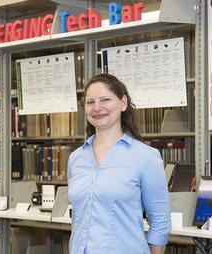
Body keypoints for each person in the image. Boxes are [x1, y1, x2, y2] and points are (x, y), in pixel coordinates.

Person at [67, 74, 171, 254]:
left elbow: (160, 223)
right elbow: (78, 218)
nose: (97, 108)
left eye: (105, 99)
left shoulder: (146, 157)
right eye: (90, 102)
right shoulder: (76, 158)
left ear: (123, 103)